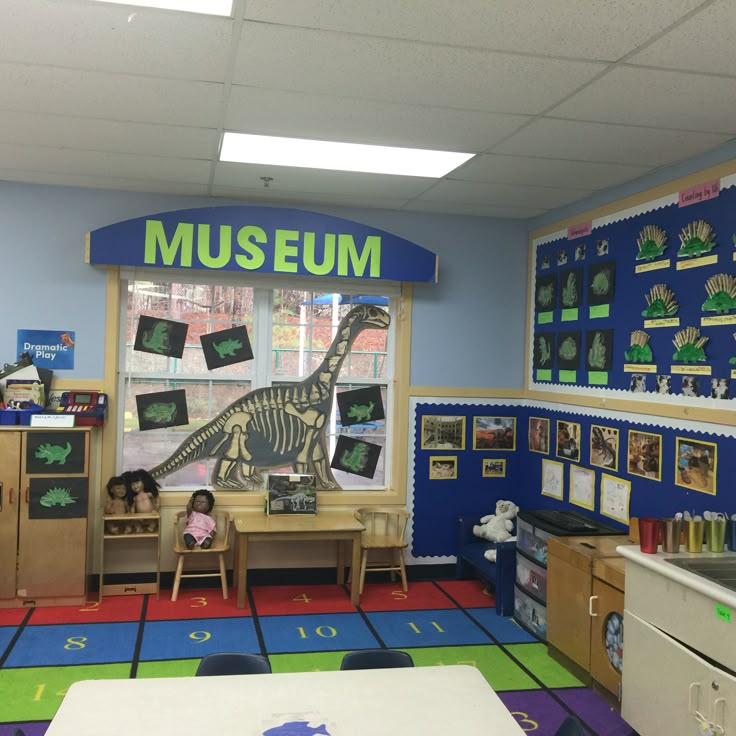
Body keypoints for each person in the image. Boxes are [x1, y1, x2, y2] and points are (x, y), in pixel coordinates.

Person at [124, 468, 160, 533]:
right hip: (140, 517)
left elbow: (156, 498)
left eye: (137, 483)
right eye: (132, 485)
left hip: (150, 515)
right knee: (135, 521)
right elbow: (133, 506)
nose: (135, 486)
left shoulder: (148, 494)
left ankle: (151, 528)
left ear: (143, 483)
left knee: (153, 522)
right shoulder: (135, 498)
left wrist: (156, 507)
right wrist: (132, 512)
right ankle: (139, 528)